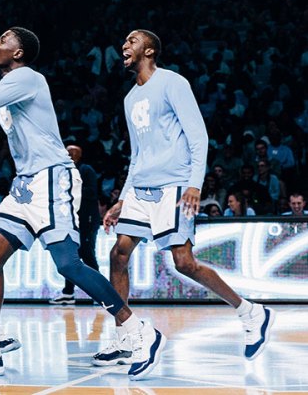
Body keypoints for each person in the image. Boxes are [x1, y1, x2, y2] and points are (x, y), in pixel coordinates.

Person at [0, 27, 164, 380]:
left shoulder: (27, 78)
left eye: (4, 39)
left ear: (20, 52)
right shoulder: (6, 94)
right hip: (24, 185)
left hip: (53, 177)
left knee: (68, 264)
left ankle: (136, 329)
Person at [102, 29, 273, 367]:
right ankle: (125, 337)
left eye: (132, 41)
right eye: (124, 41)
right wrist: (122, 198)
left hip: (174, 185)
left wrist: (195, 183)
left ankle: (250, 312)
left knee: (184, 263)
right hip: (140, 188)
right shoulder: (129, 98)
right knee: (118, 254)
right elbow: (137, 154)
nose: (124, 45)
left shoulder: (173, 83)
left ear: (149, 50)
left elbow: (198, 134)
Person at [49, 144, 100, 305]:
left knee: (87, 254)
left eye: (74, 153)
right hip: (70, 220)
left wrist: (70, 188)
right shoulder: (62, 171)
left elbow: (92, 192)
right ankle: (68, 292)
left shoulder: (85, 170)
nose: (70, 155)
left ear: (80, 155)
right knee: (71, 255)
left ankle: (100, 292)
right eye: (68, 152)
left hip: (87, 219)